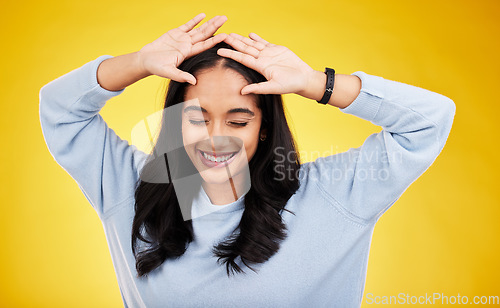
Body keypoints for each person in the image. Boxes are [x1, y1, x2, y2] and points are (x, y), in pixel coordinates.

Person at [39, 13, 456, 308]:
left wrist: (316, 83)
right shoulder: (130, 186)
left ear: (264, 128)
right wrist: (137, 64)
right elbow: (57, 109)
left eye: (238, 120)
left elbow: (430, 120)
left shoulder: (331, 195)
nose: (216, 139)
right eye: (196, 118)